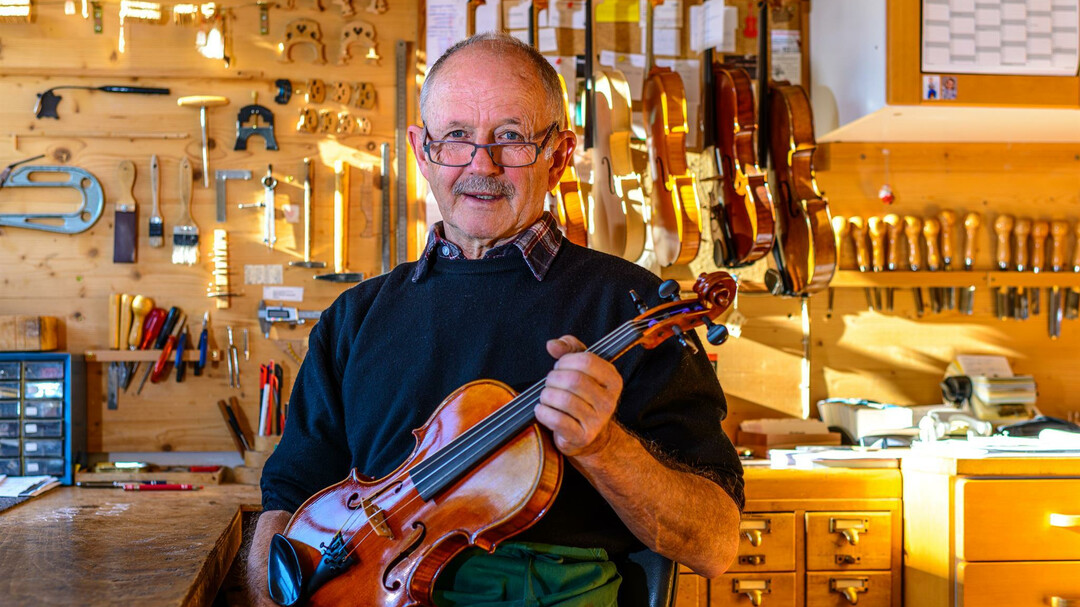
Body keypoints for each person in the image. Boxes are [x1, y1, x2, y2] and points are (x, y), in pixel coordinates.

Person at [247, 32, 744, 606]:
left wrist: (604, 446)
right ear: (422, 151)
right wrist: (270, 595)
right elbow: (287, 499)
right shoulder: (354, 319)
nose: (481, 164)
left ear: (559, 154)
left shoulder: (631, 307)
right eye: (456, 136)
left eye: (510, 138)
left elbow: (714, 543)